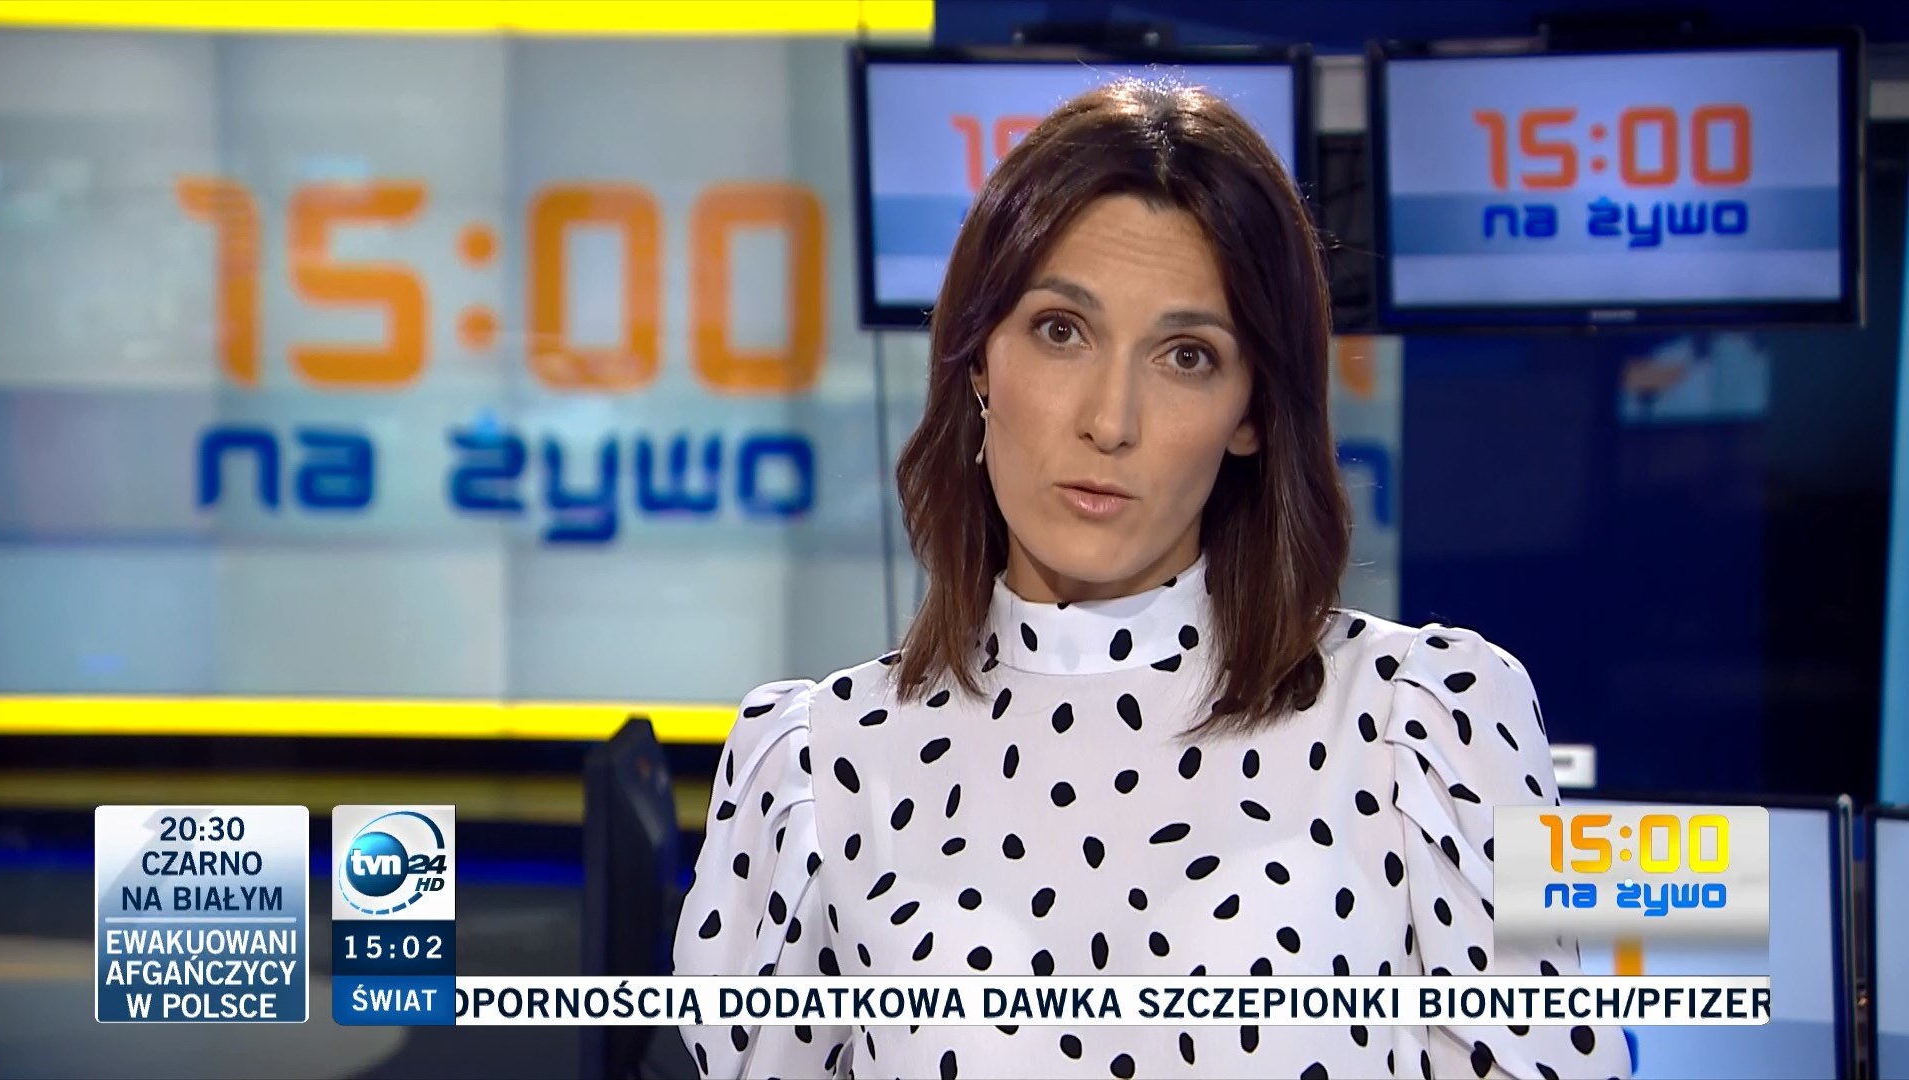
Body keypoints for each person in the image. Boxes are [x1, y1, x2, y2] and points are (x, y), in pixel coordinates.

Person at [673, 78, 1630, 1080]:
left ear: (1253, 411)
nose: (1110, 420)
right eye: (1061, 331)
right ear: (978, 362)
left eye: (1186, 356)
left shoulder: (1428, 727)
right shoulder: (817, 765)